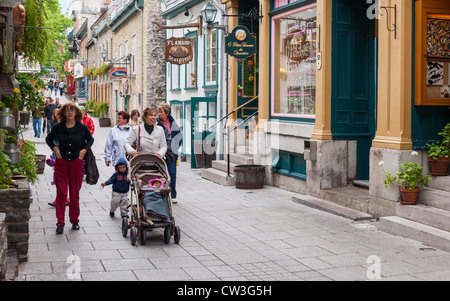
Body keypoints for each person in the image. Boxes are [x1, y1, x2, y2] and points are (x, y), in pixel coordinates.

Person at [45, 103, 94, 234]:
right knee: (61, 193)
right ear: (64, 113)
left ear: (76, 113)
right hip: (61, 163)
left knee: (74, 194)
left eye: (72, 110)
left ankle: (75, 220)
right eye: (67, 110)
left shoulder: (82, 127)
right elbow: (48, 138)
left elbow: (91, 140)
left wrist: (84, 150)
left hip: (76, 163)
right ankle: (60, 223)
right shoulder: (58, 127)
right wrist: (55, 148)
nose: (70, 112)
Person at [157, 103, 182, 203]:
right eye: (158, 112)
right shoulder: (157, 124)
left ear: (167, 113)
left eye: (161, 112)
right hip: (160, 153)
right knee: (160, 174)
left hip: (172, 153)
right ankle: (160, 194)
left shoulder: (173, 123)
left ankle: (173, 195)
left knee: (172, 173)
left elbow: (179, 137)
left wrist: (175, 148)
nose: (159, 114)